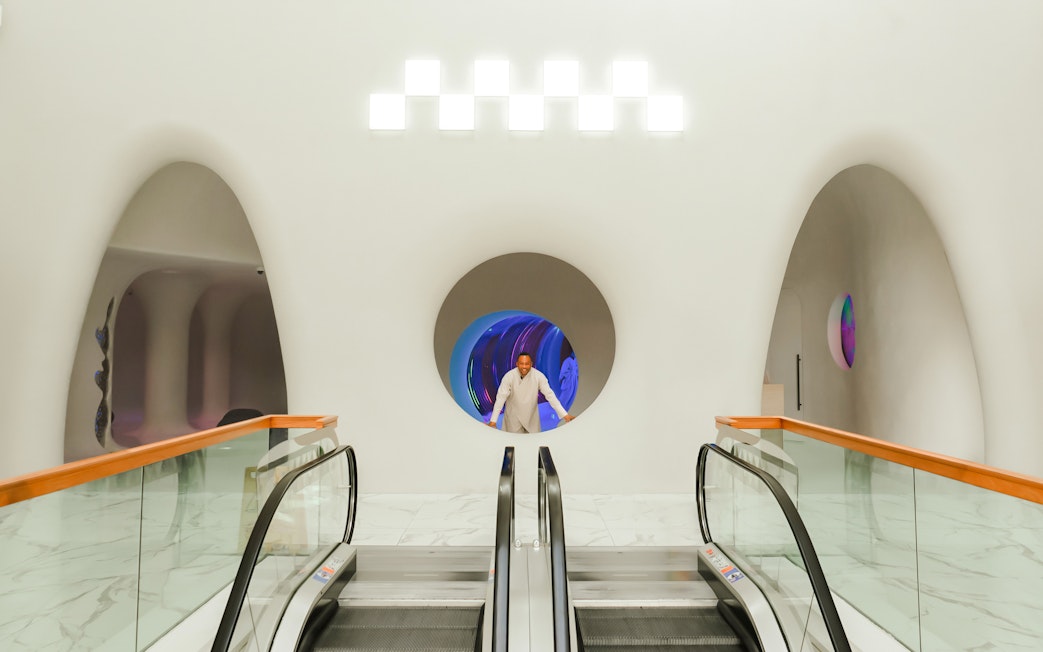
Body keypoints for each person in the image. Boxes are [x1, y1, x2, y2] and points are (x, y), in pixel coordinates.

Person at [487, 352, 575, 433]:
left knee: (532, 445)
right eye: (521, 364)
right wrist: (493, 421)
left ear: (531, 364)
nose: (524, 366)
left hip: (531, 418)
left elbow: (550, 396)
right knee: (513, 444)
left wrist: (565, 415)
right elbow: (500, 399)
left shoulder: (538, 376)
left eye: (527, 364)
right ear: (517, 364)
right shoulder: (509, 377)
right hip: (513, 418)